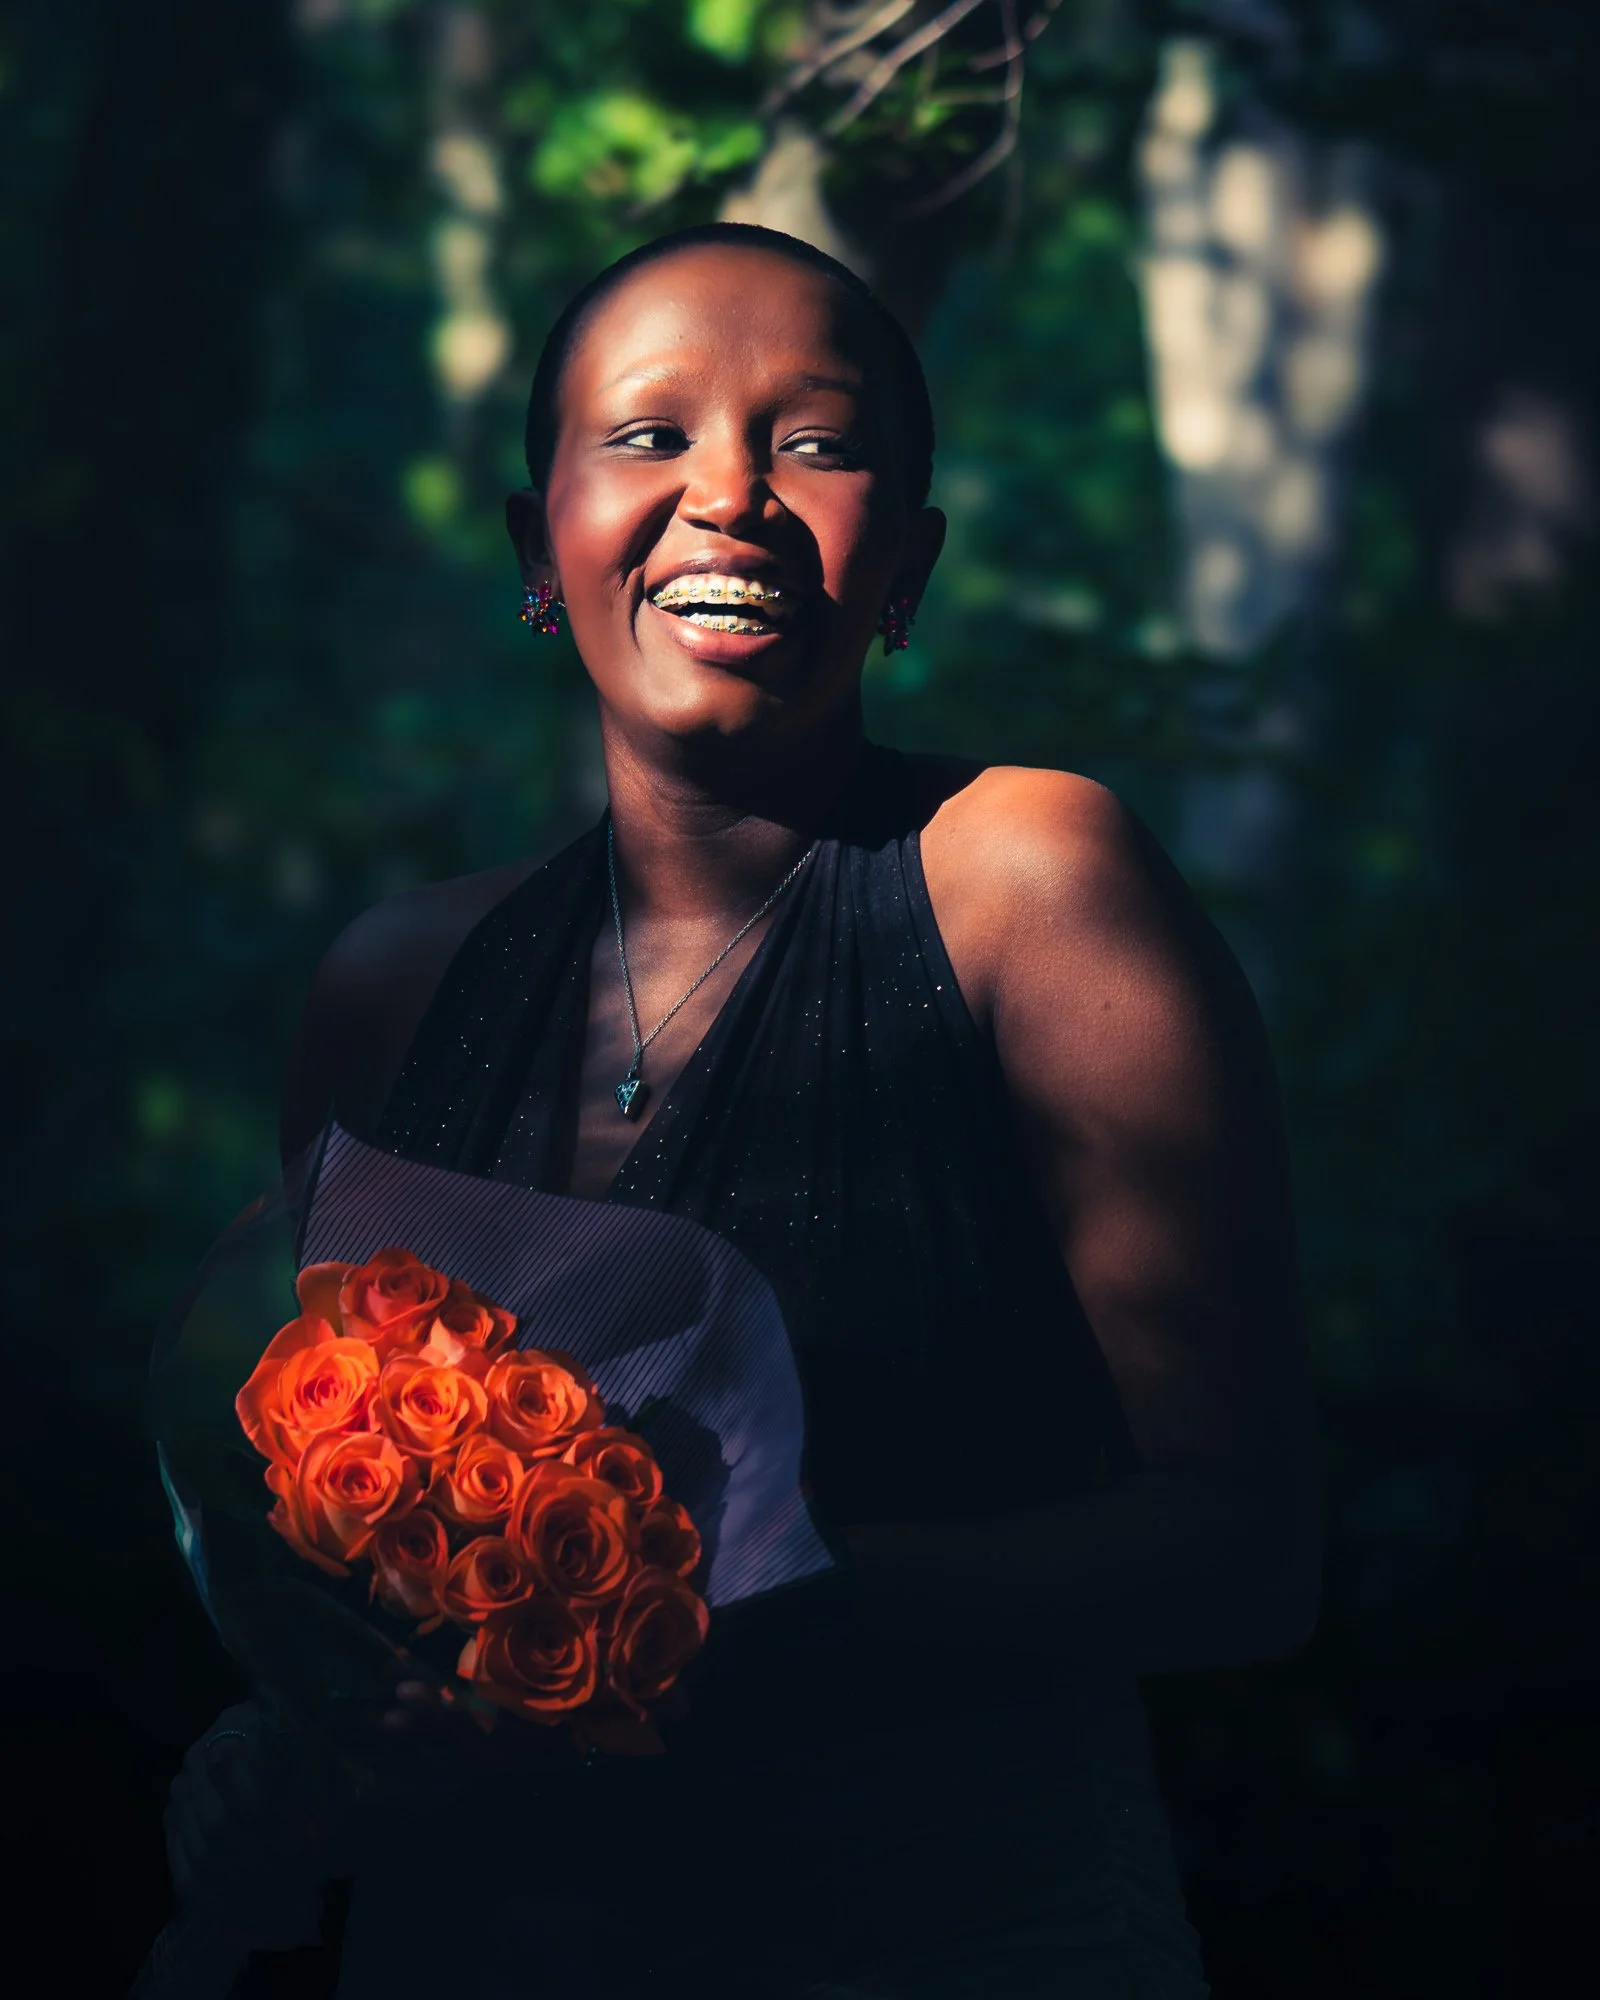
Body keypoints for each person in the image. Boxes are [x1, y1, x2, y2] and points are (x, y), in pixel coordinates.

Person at [162, 221, 1320, 1998]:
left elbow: (1244, 1552)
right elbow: (329, 1570)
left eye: (817, 441)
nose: (733, 497)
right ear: (535, 542)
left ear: (907, 566)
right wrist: (305, 1748)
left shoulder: (1030, 882)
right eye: (649, 436)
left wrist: (754, 1629)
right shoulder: (393, 984)